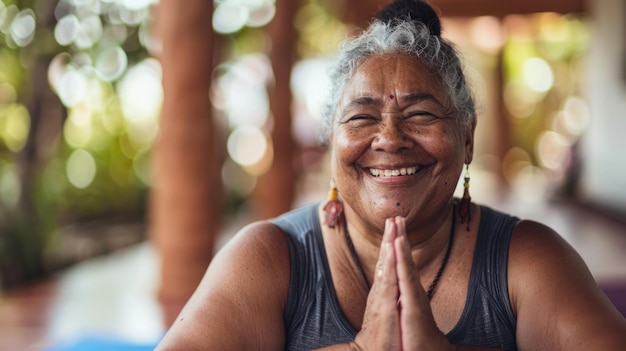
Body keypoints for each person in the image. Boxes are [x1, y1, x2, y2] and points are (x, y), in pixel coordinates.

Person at [155, 0, 626, 349]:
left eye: (421, 114)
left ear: (467, 138)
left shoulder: (526, 260)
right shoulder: (269, 259)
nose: (390, 138)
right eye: (361, 117)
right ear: (330, 142)